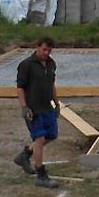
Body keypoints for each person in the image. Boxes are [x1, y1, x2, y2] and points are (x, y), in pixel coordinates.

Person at [13, 37, 61, 188]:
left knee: (52, 134)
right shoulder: (26, 65)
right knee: (39, 139)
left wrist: (56, 103)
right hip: (33, 110)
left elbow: (52, 84)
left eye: (49, 50)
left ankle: (25, 155)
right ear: (38, 47)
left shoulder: (51, 64)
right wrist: (24, 107)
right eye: (44, 49)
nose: (46, 53)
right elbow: (20, 87)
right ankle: (41, 176)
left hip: (47, 107)